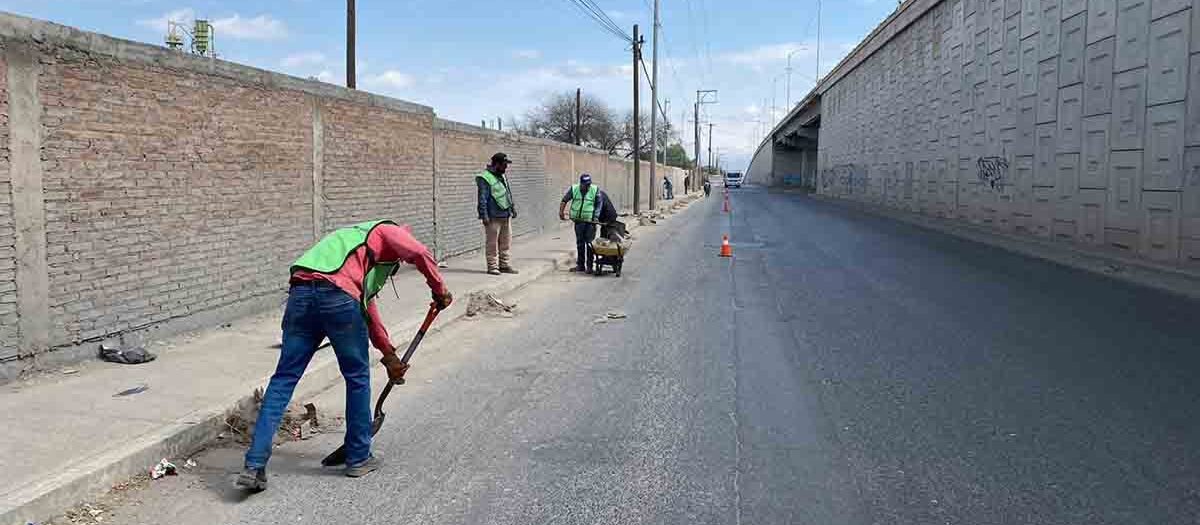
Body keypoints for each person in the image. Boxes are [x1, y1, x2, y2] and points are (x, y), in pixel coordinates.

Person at [238, 220, 453, 490]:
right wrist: (439, 289)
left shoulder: (351, 243)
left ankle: (254, 464)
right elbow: (420, 253)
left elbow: (366, 307)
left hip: (300, 295)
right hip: (337, 298)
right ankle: (359, 457)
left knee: (283, 379)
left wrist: (389, 356)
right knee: (357, 377)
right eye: (396, 259)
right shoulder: (387, 230)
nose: (395, 264)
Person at [476, 152, 519, 276]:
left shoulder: (502, 175)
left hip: (505, 214)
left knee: (506, 242)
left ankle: (504, 265)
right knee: (492, 243)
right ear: (497, 164)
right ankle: (492, 267)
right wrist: (484, 215)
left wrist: (512, 208)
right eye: (504, 165)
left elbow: (507, 193)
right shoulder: (484, 177)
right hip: (492, 216)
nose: (506, 168)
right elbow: (482, 198)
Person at [559, 173, 601, 273]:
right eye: (585, 185)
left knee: (589, 243)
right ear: (581, 183)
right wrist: (561, 212)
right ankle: (581, 265)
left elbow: (599, 204)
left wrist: (596, 217)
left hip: (590, 222)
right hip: (579, 221)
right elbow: (564, 200)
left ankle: (589, 267)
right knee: (580, 243)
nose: (587, 187)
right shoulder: (574, 189)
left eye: (588, 184)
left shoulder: (595, 189)